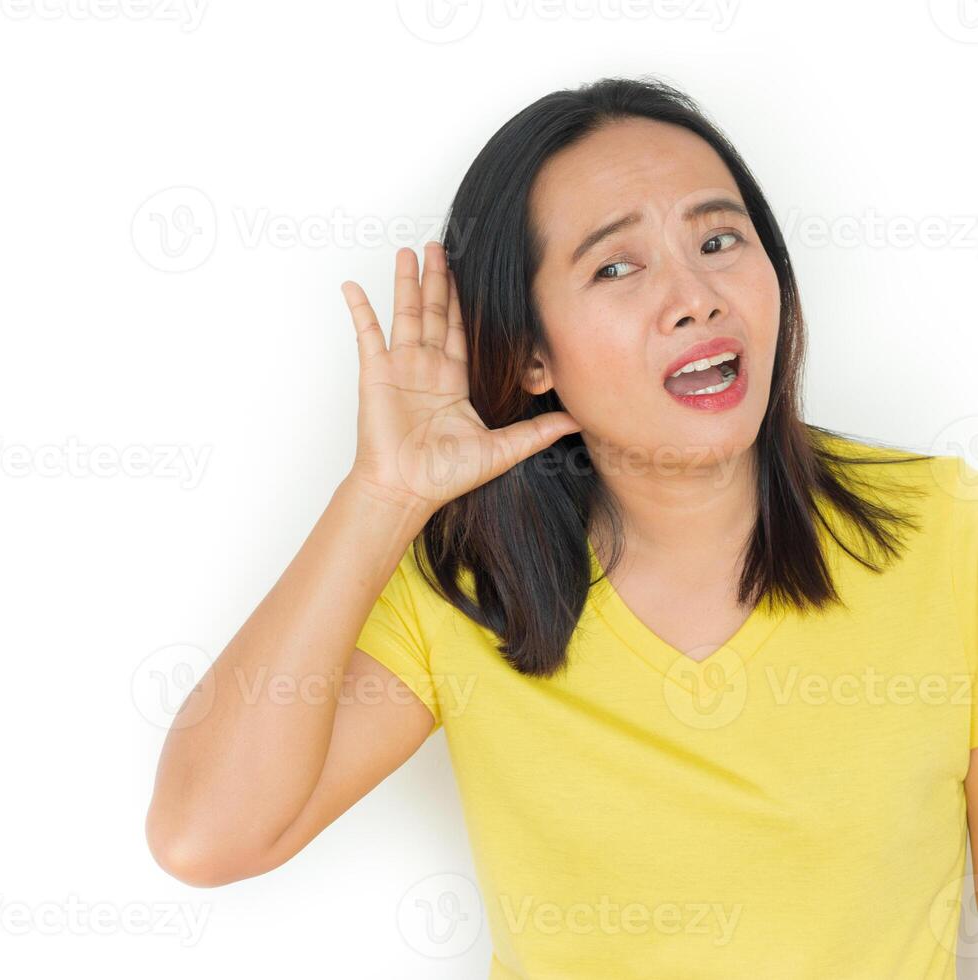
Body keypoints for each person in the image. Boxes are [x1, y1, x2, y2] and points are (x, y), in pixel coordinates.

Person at [145, 75, 978, 978]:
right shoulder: (467, 586)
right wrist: (382, 495)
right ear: (533, 354)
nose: (695, 294)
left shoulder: (945, 532)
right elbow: (205, 837)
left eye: (718, 238)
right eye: (616, 266)